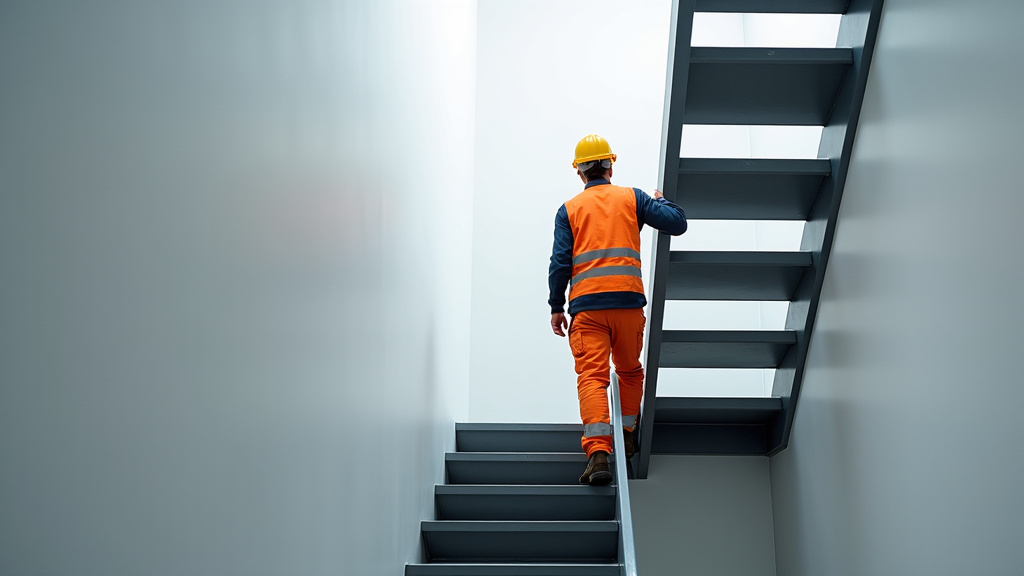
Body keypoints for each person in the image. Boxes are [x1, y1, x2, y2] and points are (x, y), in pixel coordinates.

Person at [548, 134, 687, 485]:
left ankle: (598, 455)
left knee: (592, 378)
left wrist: (556, 306)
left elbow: (560, 263)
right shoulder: (632, 198)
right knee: (629, 371)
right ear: (610, 165)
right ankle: (625, 437)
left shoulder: (569, 210)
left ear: (580, 172)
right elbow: (677, 223)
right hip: (627, 304)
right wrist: (661, 200)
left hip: (588, 310)